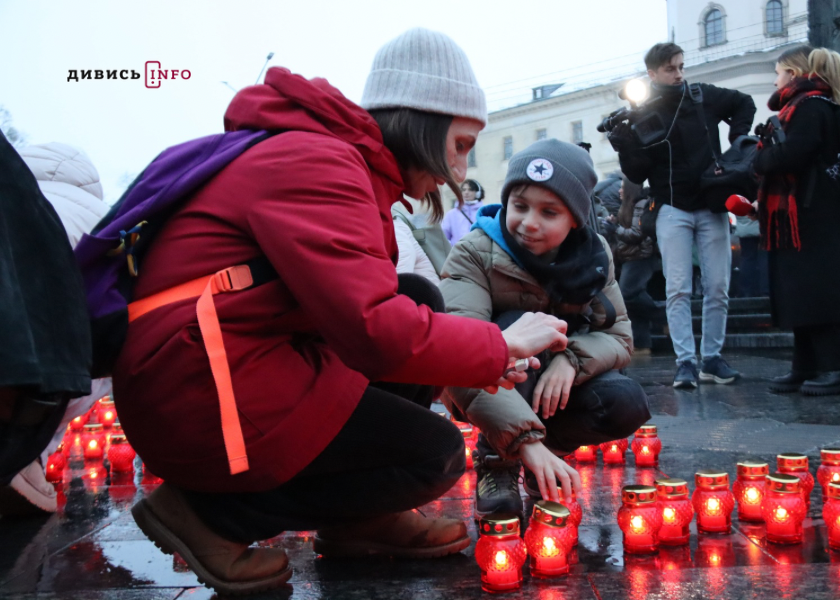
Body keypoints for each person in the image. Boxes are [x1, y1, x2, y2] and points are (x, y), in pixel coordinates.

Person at [112, 29, 569, 595]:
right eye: (460, 143)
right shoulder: (320, 164)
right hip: (197, 387)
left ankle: (359, 521)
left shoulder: (339, 161)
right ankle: (207, 517)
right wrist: (500, 345)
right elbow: (371, 331)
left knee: (416, 298)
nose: (459, 168)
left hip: (222, 361)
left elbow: (371, 310)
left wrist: (474, 358)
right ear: (422, 122)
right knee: (433, 457)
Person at [440, 139, 650, 518]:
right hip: (493, 379)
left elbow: (618, 336)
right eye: (519, 206)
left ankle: (549, 454)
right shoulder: (474, 252)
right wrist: (526, 443)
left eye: (549, 212)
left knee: (625, 402)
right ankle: (498, 461)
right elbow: (459, 350)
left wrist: (571, 359)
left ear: (575, 219)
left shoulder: (593, 255)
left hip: (559, 379)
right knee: (514, 329)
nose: (529, 223)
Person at [610, 42, 756, 389]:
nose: (678, 74)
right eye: (670, 69)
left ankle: (712, 359)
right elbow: (637, 171)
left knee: (717, 286)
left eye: (680, 67)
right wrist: (626, 145)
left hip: (711, 203)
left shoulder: (700, 95)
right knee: (678, 288)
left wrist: (737, 143)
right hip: (671, 206)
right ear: (652, 73)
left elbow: (744, 103)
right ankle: (685, 362)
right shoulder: (643, 112)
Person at [0, 143, 113, 515]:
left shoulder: (13, 194)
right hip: (42, 370)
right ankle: (32, 456)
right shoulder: (103, 220)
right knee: (101, 364)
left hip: (14, 350)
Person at [754, 45, 840, 396]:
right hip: (803, 214)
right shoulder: (805, 105)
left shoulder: (810, 105)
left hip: (813, 214)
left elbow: (795, 153)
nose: (775, 80)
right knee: (802, 293)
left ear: (793, 74)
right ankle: (807, 365)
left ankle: (838, 369)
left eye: (778, 73)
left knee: (820, 292)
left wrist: (761, 156)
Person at [615, 178, 662, 353]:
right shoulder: (628, 205)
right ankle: (642, 343)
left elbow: (637, 233)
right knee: (632, 299)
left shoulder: (641, 204)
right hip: (630, 255)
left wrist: (615, 229)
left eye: (622, 188)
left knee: (627, 294)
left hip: (641, 255)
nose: (619, 191)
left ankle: (665, 315)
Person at [441, 178, 484, 245]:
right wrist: (452, 248)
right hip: (458, 250)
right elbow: (444, 237)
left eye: (470, 189)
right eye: (464, 190)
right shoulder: (451, 214)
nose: (466, 192)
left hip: (479, 250)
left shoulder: (483, 212)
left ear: (478, 193)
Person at [734, 215, 769, 297]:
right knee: (765, 257)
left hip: (744, 224)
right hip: (762, 224)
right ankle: (766, 291)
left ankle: (746, 291)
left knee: (747, 258)